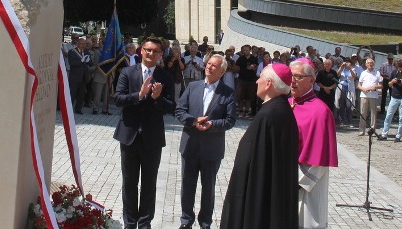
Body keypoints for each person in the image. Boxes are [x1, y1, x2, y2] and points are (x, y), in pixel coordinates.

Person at [220, 63, 299, 229]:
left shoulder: (270, 114)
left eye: (260, 78)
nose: (257, 81)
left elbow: (259, 161)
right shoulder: (279, 109)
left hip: (258, 197)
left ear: (269, 83)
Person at [114, 37, 175, 229]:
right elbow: (117, 98)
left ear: (160, 55)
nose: (151, 54)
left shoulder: (166, 76)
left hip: (152, 137)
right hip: (129, 135)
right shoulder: (127, 72)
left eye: (155, 51)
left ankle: (145, 222)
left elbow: (172, 107)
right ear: (141, 51)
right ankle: (130, 223)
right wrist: (139, 95)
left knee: (149, 183)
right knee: (129, 183)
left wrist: (158, 99)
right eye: (147, 50)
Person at [175, 54, 237, 229]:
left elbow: (230, 120)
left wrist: (212, 124)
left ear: (222, 71)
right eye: (208, 64)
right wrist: (193, 121)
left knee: (208, 188)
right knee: (187, 186)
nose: (209, 67)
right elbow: (179, 110)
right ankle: (186, 221)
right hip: (190, 145)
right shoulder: (192, 86)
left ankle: (205, 223)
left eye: (214, 66)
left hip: (212, 149)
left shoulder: (228, 92)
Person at [289, 60, 338, 229]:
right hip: (283, 179)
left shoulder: (320, 111)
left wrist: (296, 181)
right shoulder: (286, 104)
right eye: (290, 76)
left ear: (311, 80)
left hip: (306, 184)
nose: (292, 81)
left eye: (298, 76)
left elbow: (321, 157)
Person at [378, 58, 402, 142]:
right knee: (388, 116)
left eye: (401, 68)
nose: (400, 69)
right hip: (394, 97)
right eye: (398, 67)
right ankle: (384, 134)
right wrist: (392, 82)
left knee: (401, 118)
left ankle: (398, 136)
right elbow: (389, 84)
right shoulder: (394, 72)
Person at [357, 58, 382, 135]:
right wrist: (363, 89)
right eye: (368, 63)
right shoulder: (363, 73)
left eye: (371, 63)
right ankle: (362, 130)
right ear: (366, 64)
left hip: (373, 96)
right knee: (363, 112)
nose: (370, 65)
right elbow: (359, 85)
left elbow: (381, 85)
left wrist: (375, 87)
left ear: (373, 64)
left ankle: (372, 130)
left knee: (373, 114)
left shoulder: (377, 73)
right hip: (364, 95)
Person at [67, 37, 90, 114]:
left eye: (84, 44)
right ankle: (69, 109)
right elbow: (72, 63)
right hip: (75, 77)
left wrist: (89, 61)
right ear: (77, 44)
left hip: (83, 77)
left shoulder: (86, 51)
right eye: (81, 44)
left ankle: (78, 109)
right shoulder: (72, 52)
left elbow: (89, 63)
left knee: (81, 95)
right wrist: (81, 61)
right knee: (72, 94)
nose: (83, 45)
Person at [234, 45, 258, 119]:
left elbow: (256, 68)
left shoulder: (254, 58)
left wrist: (252, 68)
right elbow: (236, 68)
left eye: (247, 50)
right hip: (242, 79)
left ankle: (247, 111)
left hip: (251, 80)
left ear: (250, 50)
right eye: (244, 50)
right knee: (241, 96)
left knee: (249, 97)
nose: (245, 51)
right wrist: (238, 70)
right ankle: (241, 111)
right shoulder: (240, 58)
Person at [335, 58, 358, 126]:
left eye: (349, 63)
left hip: (349, 89)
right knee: (342, 104)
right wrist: (342, 67)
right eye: (346, 63)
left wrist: (350, 69)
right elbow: (336, 74)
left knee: (349, 105)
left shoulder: (353, 69)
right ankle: (342, 120)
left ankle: (349, 121)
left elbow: (354, 77)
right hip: (342, 88)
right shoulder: (342, 69)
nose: (347, 64)